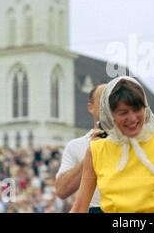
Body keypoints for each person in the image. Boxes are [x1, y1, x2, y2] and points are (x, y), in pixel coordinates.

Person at [69, 77, 154, 213]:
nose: (132, 118)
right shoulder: (96, 150)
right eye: (123, 112)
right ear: (110, 114)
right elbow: (79, 207)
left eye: (137, 110)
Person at [55, 84, 107, 213]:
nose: (108, 105)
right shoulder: (76, 146)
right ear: (91, 107)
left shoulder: (131, 141)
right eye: (103, 100)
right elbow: (62, 190)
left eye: (112, 100)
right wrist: (92, 153)